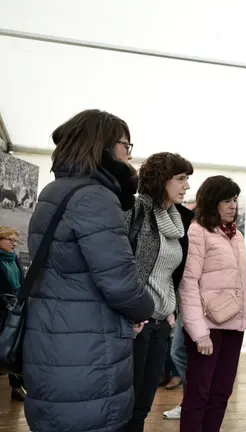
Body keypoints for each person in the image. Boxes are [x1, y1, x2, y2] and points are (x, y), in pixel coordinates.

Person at [23, 109, 155, 432]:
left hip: (53, 348)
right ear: (106, 147)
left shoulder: (55, 192)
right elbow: (121, 282)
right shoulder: (95, 197)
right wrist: (145, 309)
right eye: (127, 145)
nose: (129, 155)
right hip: (87, 359)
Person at [179, 175, 246, 432]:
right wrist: (199, 332)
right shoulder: (198, 231)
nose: (233, 205)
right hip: (207, 328)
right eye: (227, 199)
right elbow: (188, 283)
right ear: (212, 201)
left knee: (222, 392)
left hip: (234, 324)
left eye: (235, 199)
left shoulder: (236, 235)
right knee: (199, 394)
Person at [122, 152, 195, 431]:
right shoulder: (135, 210)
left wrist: (171, 309)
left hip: (161, 324)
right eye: (180, 179)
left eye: (187, 179)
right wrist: (131, 310)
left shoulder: (177, 221)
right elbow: (121, 265)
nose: (186, 186)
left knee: (144, 403)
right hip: (135, 323)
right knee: (127, 403)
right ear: (160, 180)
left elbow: (168, 273)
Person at [0, 226, 26, 402]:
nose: (13, 244)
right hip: (1, 309)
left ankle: (17, 387)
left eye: (15, 241)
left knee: (14, 347)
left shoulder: (15, 260)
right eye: (10, 239)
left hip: (15, 310)